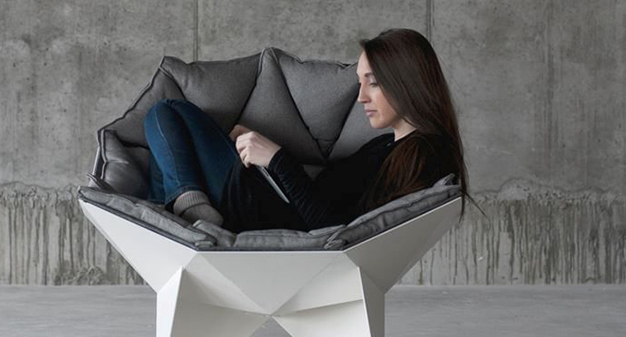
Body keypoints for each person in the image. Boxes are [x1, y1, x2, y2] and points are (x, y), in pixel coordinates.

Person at [142, 28, 482, 234]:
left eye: (373, 83)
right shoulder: (394, 145)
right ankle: (187, 206)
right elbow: (326, 195)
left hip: (255, 210)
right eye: (361, 82)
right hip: (266, 194)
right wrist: (267, 154)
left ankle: (191, 215)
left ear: (406, 84)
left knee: (164, 114)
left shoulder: (422, 156)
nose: (362, 97)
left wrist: (276, 158)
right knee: (171, 129)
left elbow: (332, 229)